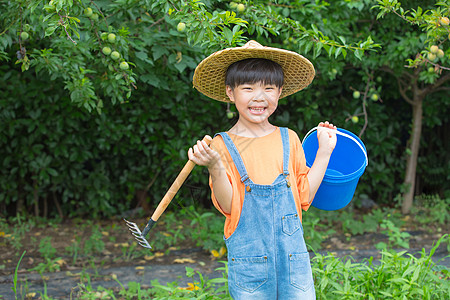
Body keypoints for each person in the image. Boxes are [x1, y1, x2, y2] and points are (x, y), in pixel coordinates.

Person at [188, 40, 337, 299]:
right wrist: (215, 166)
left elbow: (304, 196)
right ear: (231, 92)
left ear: (279, 92)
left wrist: (325, 152)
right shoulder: (222, 145)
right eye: (248, 88)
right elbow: (228, 205)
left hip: (295, 266)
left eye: (269, 88)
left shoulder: (289, 138)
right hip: (250, 267)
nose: (259, 97)